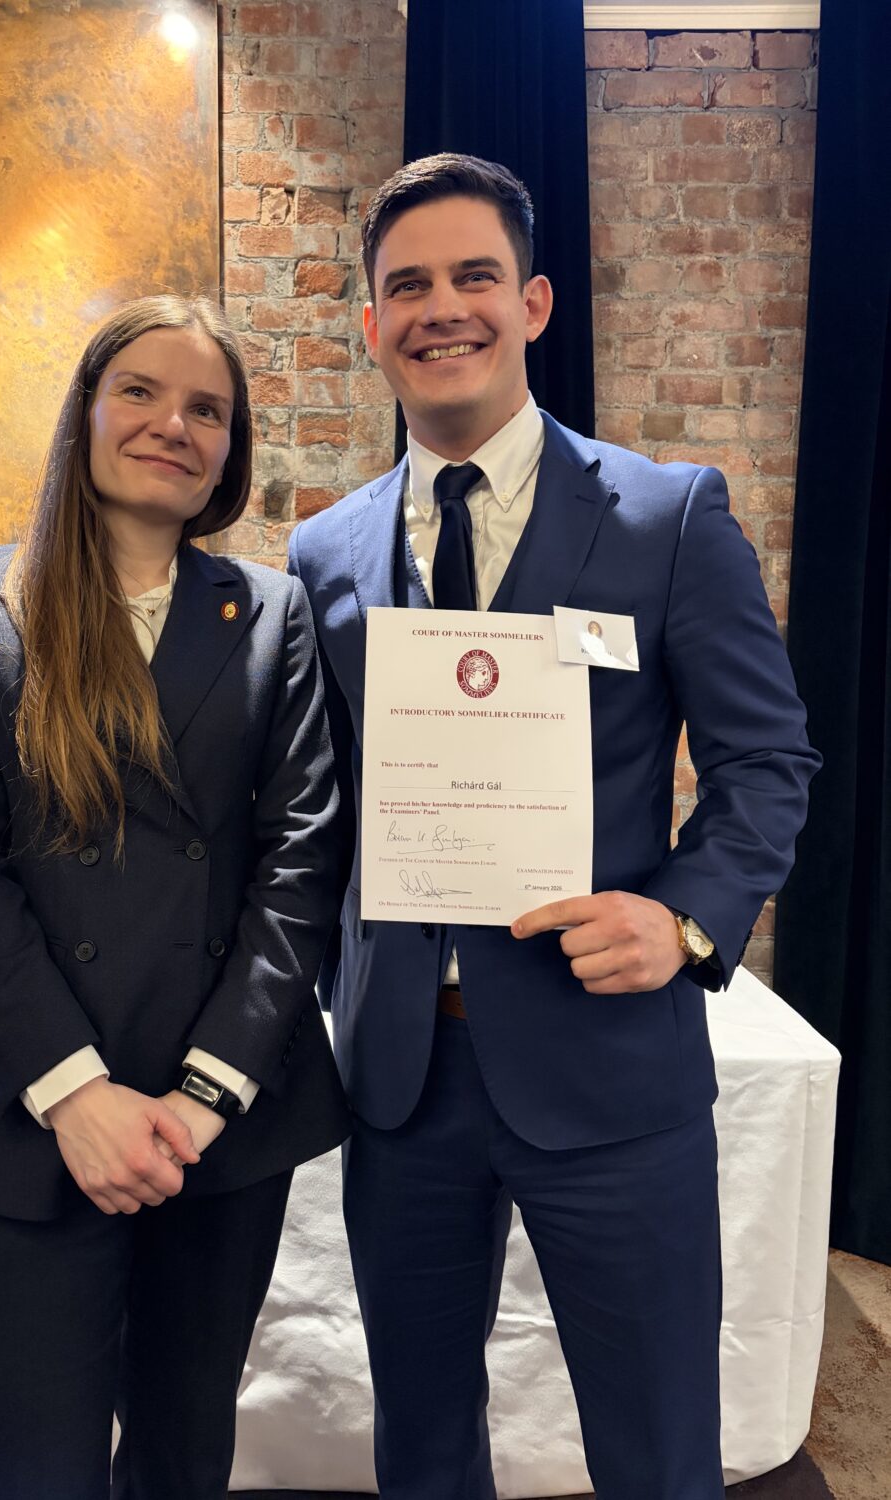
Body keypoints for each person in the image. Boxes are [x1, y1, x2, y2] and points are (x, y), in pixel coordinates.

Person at [288, 154, 821, 1500]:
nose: (442, 308)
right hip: (404, 1078)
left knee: (657, 1447)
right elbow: (321, 808)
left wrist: (685, 919)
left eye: (474, 276)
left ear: (530, 304)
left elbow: (766, 759)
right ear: (373, 326)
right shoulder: (324, 552)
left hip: (611, 1064)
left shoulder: (667, 516)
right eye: (408, 286)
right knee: (420, 1445)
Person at [0, 295, 350, 1500]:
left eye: (207, 410)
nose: (172, 425)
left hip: (215, 1125)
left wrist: (202, 1098)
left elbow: (302, 862)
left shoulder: (272, 612)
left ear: (230, 451)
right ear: (85, 410)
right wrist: (77, 1094)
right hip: (26, 1104)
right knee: (26, 1469)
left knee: (184, 1461)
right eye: (139, 391)